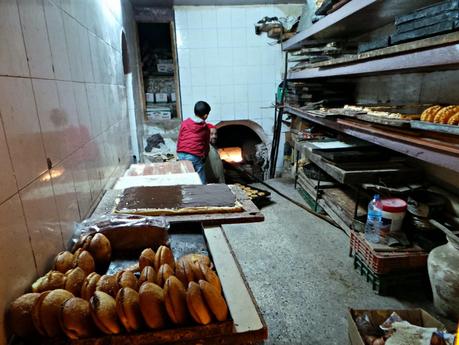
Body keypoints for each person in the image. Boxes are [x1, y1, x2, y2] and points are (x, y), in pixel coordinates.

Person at [176, 101, 211, 184]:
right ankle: (202, 190)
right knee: (199, 172)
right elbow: (206, 144)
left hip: (181, 153)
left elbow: (180, 137)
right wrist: (205, 155)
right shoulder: (204, 127)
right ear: (206, 115)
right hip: (193, 155)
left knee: (187, 175)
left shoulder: (185, 123)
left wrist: (178, 151)